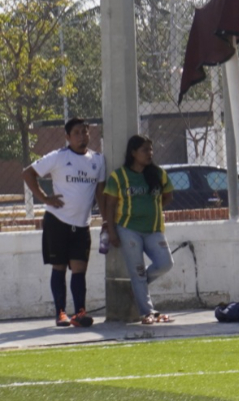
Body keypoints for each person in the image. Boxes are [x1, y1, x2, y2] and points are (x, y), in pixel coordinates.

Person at [22, 118, 106, 328]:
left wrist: (106, 220)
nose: (81, 136)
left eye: (85, 132)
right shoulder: (59, 157)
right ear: (68, 137)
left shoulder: (98, 160)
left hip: (82, 224)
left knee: (80, 270)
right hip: (57, 221)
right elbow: (28, 173)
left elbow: (101, 193)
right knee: (58, 267)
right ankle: (60, 313)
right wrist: (45, 198)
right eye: (76, 132)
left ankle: (79, 313)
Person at [103, 135, 175, 324]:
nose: (149, 153)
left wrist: (153, 210)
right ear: (133, 153)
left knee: (165, 263)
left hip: (153, 229)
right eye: (144, 150)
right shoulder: (119, 176)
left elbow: (167, 196)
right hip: (128, 229)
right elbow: (109, 205)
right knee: (137, 270)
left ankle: (137, 286)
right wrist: (111, 231)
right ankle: (147, 312)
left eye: (151, 149)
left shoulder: (158, 174)